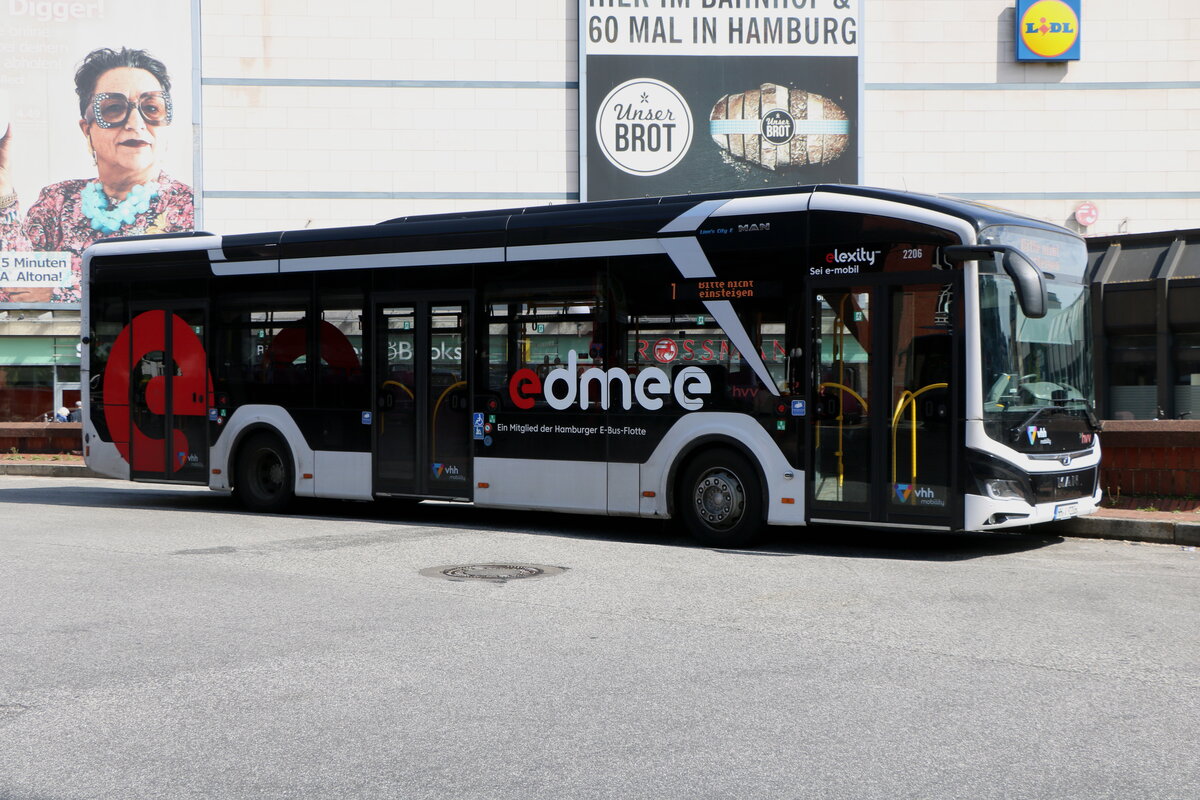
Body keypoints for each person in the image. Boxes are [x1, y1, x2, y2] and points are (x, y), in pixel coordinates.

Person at [0, 47, 194, 303]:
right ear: (86, 129)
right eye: (114, 108)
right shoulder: (57, 200)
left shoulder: (187, 205)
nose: (135, 122)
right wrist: (2, 189)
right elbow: (13, 284)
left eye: (152, 108)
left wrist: (58, 294)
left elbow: (176, 290)